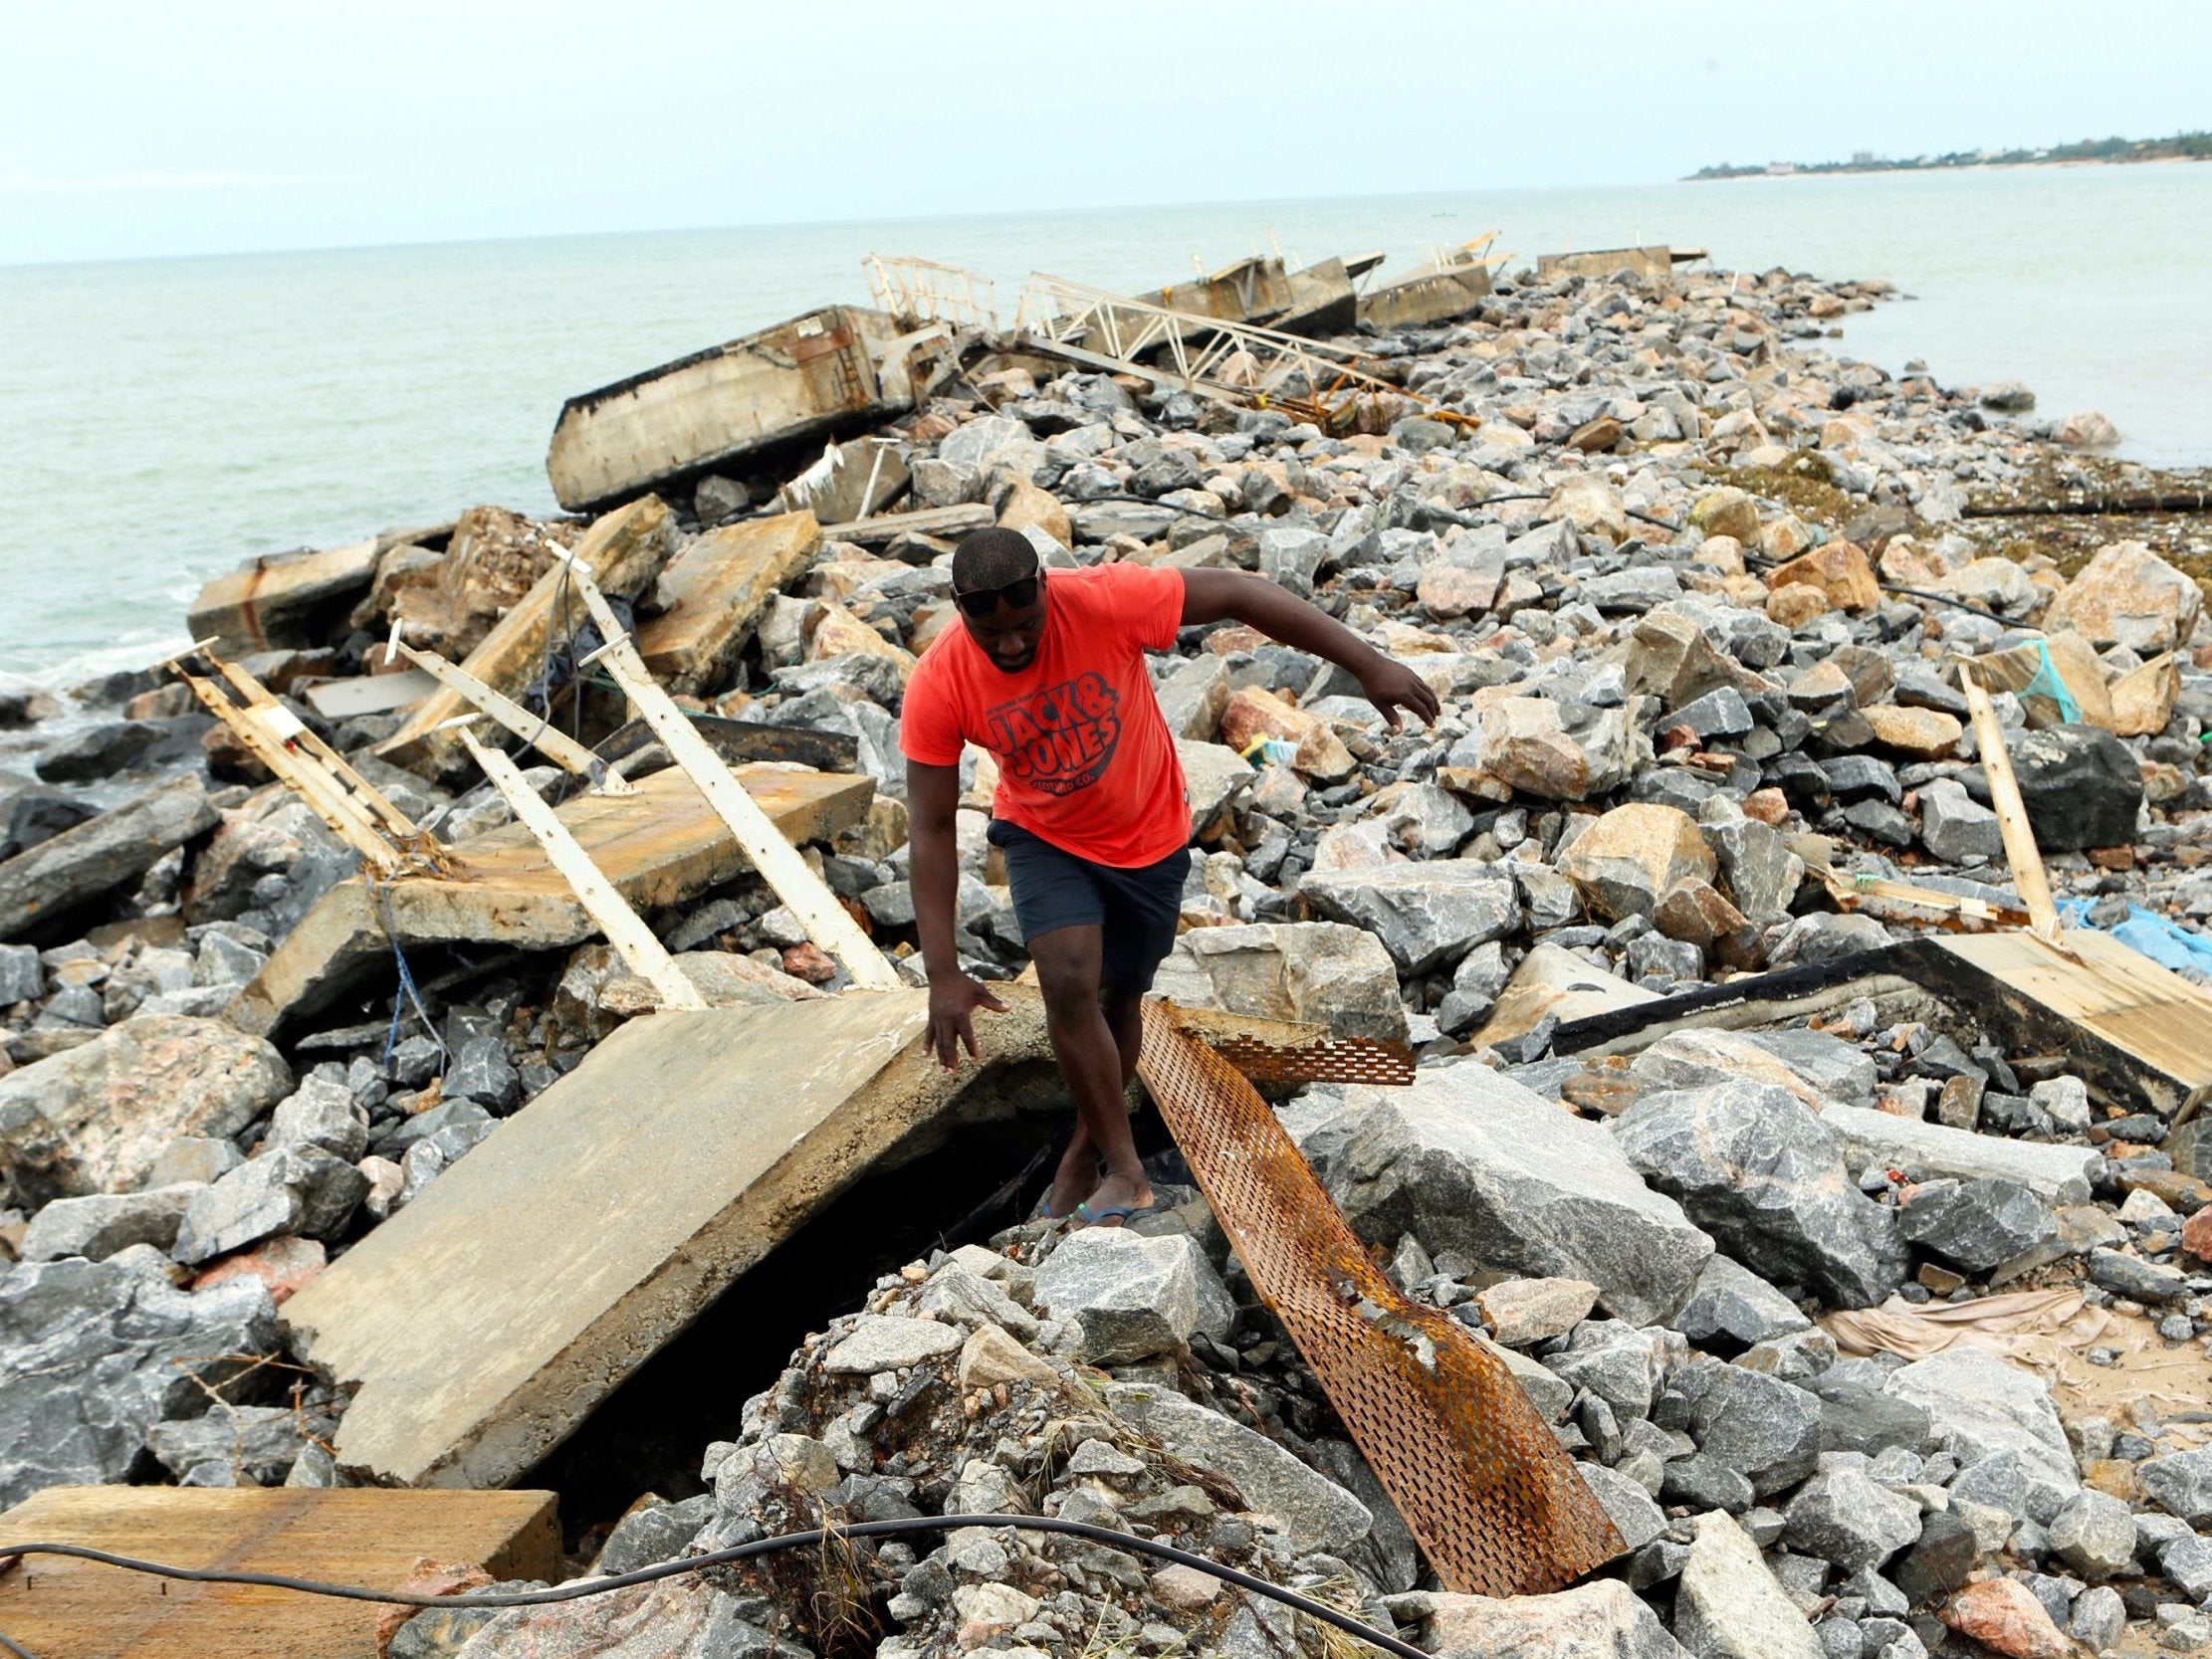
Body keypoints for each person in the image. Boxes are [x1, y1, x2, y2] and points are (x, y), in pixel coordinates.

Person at [899, 525, 1438, 1226]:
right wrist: (942, 969)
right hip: (1043, 835)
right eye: (990, 634)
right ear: (959, 609)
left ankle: (1083, 1153)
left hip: (1148, 835)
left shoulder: (1103, 599)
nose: (1010, 646)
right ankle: (1126, 1172)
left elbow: (1242, 593)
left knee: (1121, 999)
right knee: (1067, 983)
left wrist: (1367, 663)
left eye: (1025, 626)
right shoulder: (939, 681)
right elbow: (933, 827)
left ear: (1045, 593)